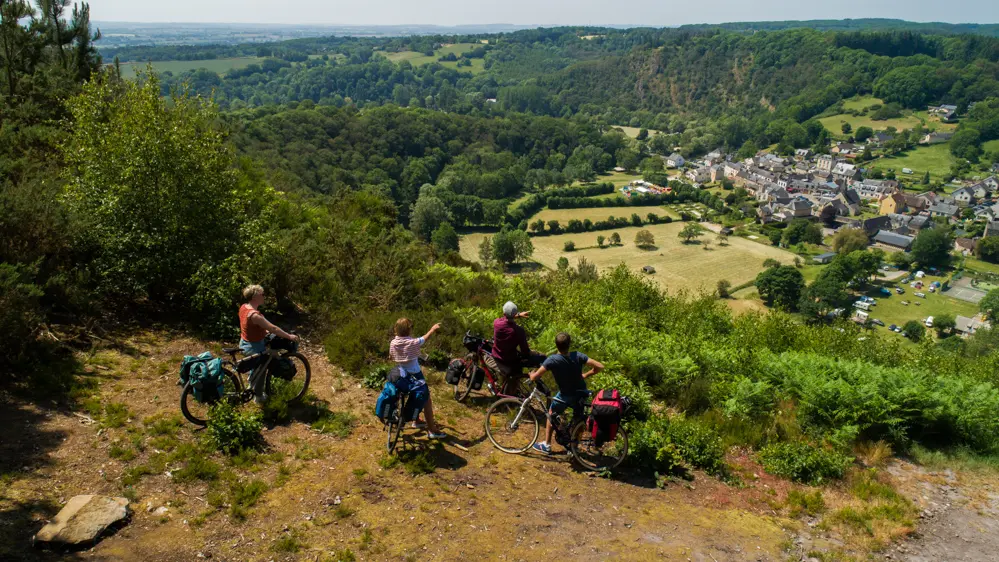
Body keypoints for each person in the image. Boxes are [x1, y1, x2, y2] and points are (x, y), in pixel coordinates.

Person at [528, 332, 603, 455]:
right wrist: (585, 375)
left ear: (556, 345)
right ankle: (574, 448)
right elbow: (599, 366)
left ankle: (547, 445)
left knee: (551, 413)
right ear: (569, 344)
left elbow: (535, 377)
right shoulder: (577, 355)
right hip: (581, 393)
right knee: (578, 419)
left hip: (565, 394)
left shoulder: (552, 360)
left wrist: (531, 375)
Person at [239, 284, 299, 403]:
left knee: (257, 365)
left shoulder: (244, 307)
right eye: (262, 294)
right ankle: (259, 397)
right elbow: (273, 328)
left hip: (244, 342)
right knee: (264, 364)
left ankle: (252, 381)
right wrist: (289, 336)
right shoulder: (255, 315)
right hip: (254, 347)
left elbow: (250, 327)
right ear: (255, 297)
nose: (264, 297)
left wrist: (264, 332)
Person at [389, 318, 446, 439]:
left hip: (400, 374)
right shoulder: (413, 342)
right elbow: (424, 338)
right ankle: (432, 430)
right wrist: (432, 329)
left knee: (411, 396)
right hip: (415, 375)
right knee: (425, 399)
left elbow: (391, 356)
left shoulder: (393, 343)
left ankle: (416, 419)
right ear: (409, 330)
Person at [491, 301, 545, 395]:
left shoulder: (497, 323)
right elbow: (525, 351)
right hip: (509, 360)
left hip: (496, 355)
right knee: (542, 357)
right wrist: (532, 353)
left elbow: (505, 319)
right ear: (515, 314)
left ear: (504, 314)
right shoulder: (518, 331)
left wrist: (518, 315)